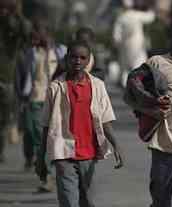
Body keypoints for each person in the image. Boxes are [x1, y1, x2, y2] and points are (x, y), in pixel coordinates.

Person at [124, 15, 172, 207]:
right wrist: (150, 109)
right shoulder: (157, 63)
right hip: (165, 145)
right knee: (160, 197)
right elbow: (131, 93)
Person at [35, 40, 123, 207]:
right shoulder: (56, 87)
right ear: (67, 58)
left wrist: (116, 145)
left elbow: (105, 120)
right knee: (69, 201)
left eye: (83, 58)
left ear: (89, 60)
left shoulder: (98, 86)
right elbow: (46, 125)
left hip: (89, 154)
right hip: (64, 153)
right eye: (74, 57)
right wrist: (41, 157)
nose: (78, 61)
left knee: (87, 201)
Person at [15, 17, 67, 191]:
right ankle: (45, 171)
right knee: (34, 134)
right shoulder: (30, 53)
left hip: (54, 101)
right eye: (34, 31)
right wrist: (22, 97)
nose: (36, 35)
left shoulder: (60, 51)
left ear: (47, 33)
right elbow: (23, 76)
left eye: (39, 31)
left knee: (46, 138)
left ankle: (49, 176)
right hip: (34, 100)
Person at [0, 0, 28, 162]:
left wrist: (18, 13)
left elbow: (26, 32)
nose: (3, 11)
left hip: (7, 80)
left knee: (4, 120)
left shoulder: (13, 29)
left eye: (6, 9)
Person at [113, 0, 155, 88]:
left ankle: (125, 84)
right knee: (138, 63)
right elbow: (150, 17)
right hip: (137, 44)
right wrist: (151, 8)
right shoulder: (136, 15)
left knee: (125, 65)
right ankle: (138, 83)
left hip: (124, 45)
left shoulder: (121, 17)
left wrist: (117, 43)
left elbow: (116, 34)